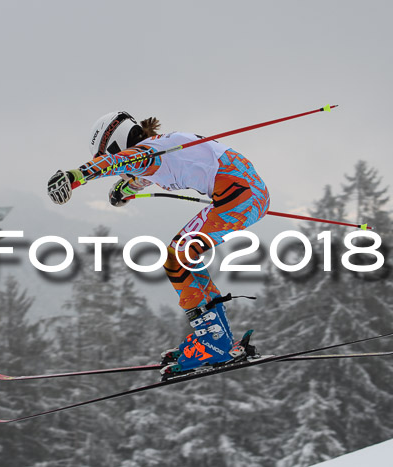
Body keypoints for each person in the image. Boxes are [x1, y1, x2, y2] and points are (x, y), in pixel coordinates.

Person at [47, 111, 270, 378]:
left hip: (240, 196)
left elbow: (115, 164)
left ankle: (213, 344)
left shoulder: (147, 151)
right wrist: (123, 191)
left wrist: (73, 177)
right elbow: (138, 176)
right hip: (243, 194)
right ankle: (214, 337)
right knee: (184, 257)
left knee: (177, 257)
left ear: (117, 144)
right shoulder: (158, 151)